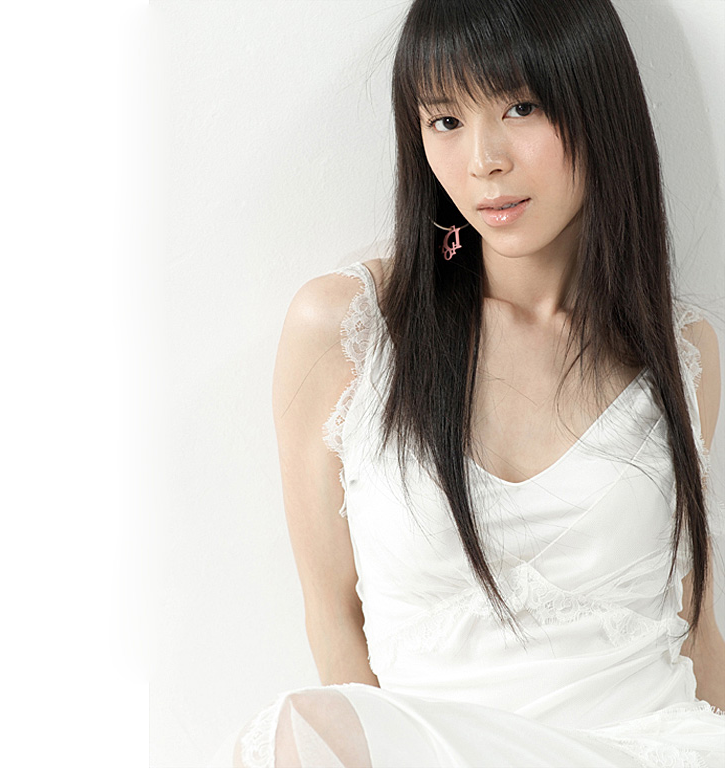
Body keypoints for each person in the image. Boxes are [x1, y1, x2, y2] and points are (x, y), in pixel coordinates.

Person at [219, 0, 725, 765]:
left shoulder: (680, 352)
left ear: (599, 106)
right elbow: (332, 618)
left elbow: (695, 629)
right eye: (446, 119)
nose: (484, 159)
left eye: (520, 107)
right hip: (430, 751)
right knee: (299, 726)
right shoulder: (348, 330)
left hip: (642, 744)